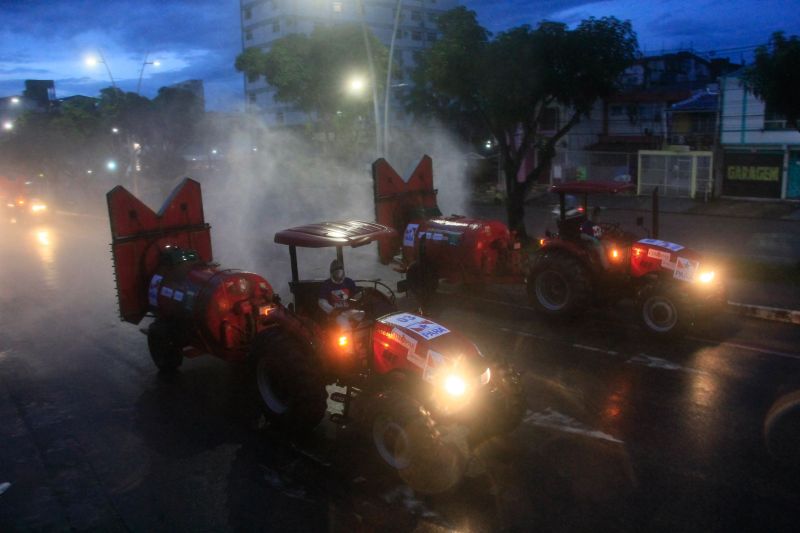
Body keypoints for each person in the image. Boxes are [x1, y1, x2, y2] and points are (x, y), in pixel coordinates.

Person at [318, 259, 365, 331]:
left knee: (362, 314)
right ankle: (348, 341)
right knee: (344, 324)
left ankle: (359, 336)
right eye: (336, 269)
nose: (338, 270)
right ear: (331, 272)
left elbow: (355, 296)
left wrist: (360, 296)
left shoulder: (349, 282)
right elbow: (322, 302)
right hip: (336, 313)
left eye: (340, 268)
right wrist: (332, 310)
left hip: (348, 310)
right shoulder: (326, 284)